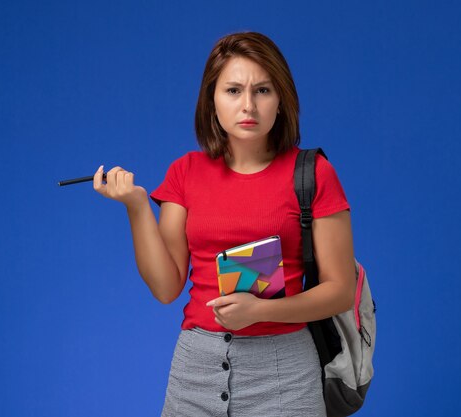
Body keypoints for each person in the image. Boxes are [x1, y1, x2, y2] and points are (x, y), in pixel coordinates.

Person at [93, 32, 356, 416]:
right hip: (195, 370)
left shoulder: (314, 173)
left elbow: (340, 292)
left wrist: (260, 311)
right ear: (212, 101)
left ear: (281, 100)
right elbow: (167, 288)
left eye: (262, 90)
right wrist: (136, 208)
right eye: (233, 91)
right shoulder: (185, 172)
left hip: (284, 374)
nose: (248, 105)